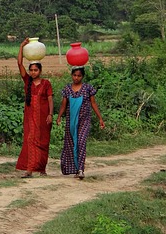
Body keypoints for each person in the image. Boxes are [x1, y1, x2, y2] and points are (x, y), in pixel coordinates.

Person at [56, 66, 105, 179]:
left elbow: (93, 103)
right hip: (71, 121)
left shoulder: (87, 88)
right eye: (74, 75)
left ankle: (81, 169)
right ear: (71, 75)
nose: (76, 78)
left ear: (82, 76)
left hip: (84, 120)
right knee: (72, 143)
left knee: (81, 142)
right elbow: (64, 104)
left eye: (79, 76)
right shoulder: (67, 89)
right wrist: (59, 116)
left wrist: (100, 118)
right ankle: (74, 168)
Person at [16, 38, 54, 178]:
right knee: (30, 140)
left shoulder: (46, 84)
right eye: (31, 70)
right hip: (30, 118)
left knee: (43, 142)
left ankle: (42, 168)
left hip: (43, 118)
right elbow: (19, 63)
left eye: (35, 70)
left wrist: (51, 114)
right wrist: (21, 46)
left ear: (40, 70)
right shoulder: (27, 82)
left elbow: (50, 99)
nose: (32, 72)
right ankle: (29, 170)